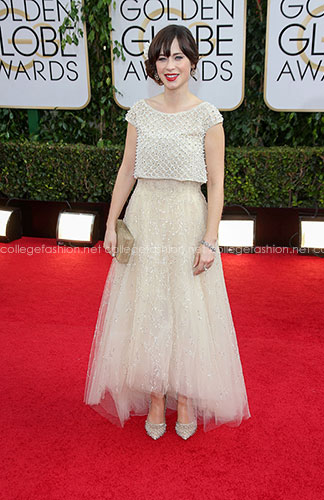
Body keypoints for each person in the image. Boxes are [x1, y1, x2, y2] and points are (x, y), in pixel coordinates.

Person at [83, 24, 251, 440]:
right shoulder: (140, 112)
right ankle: (156, 394)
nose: (170, 65)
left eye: (178, 56)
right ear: (153, 65)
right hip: (144, 218)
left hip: (186, 218)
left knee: (187, 307)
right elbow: (127, 169)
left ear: (193, 61)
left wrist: (210, 240)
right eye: (162, 57)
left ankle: (188, 396)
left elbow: (216, 182)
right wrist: (110, 221)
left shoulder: (208, 116)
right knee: (149, 305)